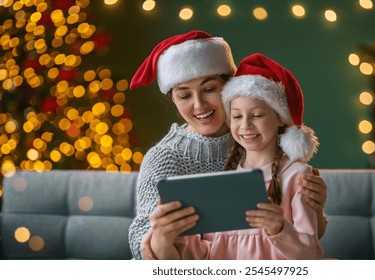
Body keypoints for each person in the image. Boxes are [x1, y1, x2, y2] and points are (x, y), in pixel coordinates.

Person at [129, 30, 328, 260]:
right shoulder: (163, 158)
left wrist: (316, 208)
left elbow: (304, 244)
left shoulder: (255, 142)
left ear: (228, 86)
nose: (199, 105)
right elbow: (147, 247)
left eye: (209, 89)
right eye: (184, 96)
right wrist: (161, 238)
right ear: (173, 99)